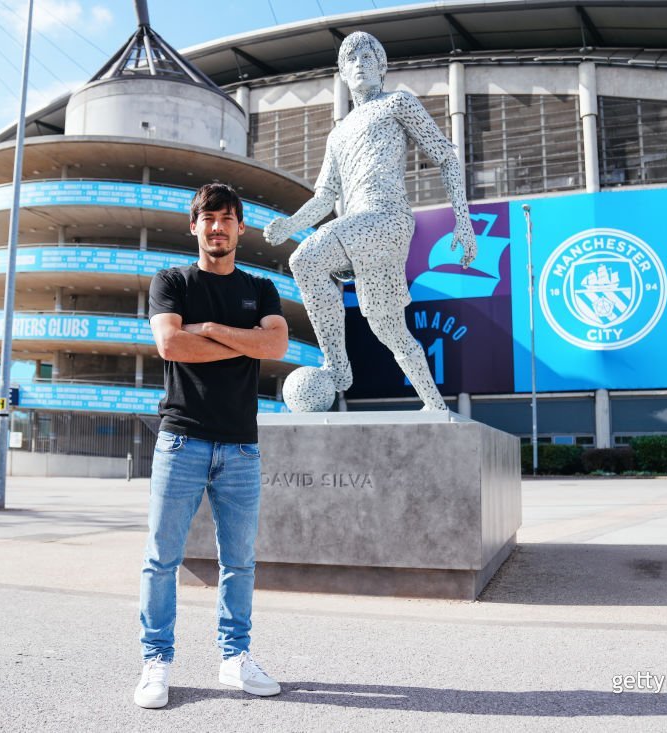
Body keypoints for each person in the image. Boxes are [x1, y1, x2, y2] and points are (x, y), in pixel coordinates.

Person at [264, 31, 477, 411]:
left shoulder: (397, 104)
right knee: (388, 328)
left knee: (306, 259)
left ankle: (337, 367)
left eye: (368, 58)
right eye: (352, 60)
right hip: (357, 226)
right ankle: (435, 405)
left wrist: (464, 222)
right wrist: (290, 225)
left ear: (382, 68)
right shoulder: (337, 133)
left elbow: (445, 157)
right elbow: (324, 197)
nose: (360, 65)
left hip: (387, 218)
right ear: (343, 73)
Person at [135, 183, 288, 709]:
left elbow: (275, 345)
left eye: (227, 218)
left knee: (239, 562)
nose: (218, 227)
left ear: (240, 228)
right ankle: (156, 661)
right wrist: (239, 340)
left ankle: (234, 658)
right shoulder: (171, 281)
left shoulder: (260, 289)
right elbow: (170, 344)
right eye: (209, 218)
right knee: (161, 559)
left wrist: (214, 329)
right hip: (181, 439)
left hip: (242, 447)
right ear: (194, 226)